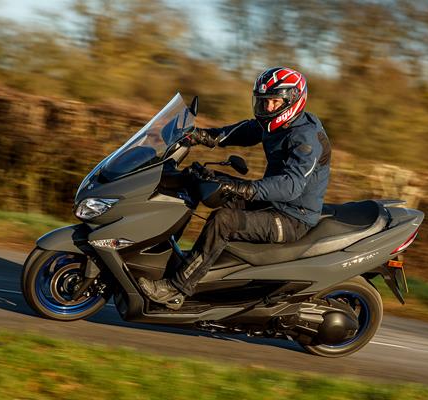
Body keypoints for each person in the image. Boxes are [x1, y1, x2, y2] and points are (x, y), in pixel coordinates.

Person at [138, 66, 331, 309]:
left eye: (273, 102)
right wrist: (202, 136)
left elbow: (291, 185)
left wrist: (246, 189)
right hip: (271, 202)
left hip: (292, 218)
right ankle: (160, 253)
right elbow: (246, 130)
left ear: (292, 100)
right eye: (263, 102)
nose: (267, 108)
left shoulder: (305, 138)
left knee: (224, 221)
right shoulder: (276, 123)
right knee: (203, 180)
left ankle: (177, 289)